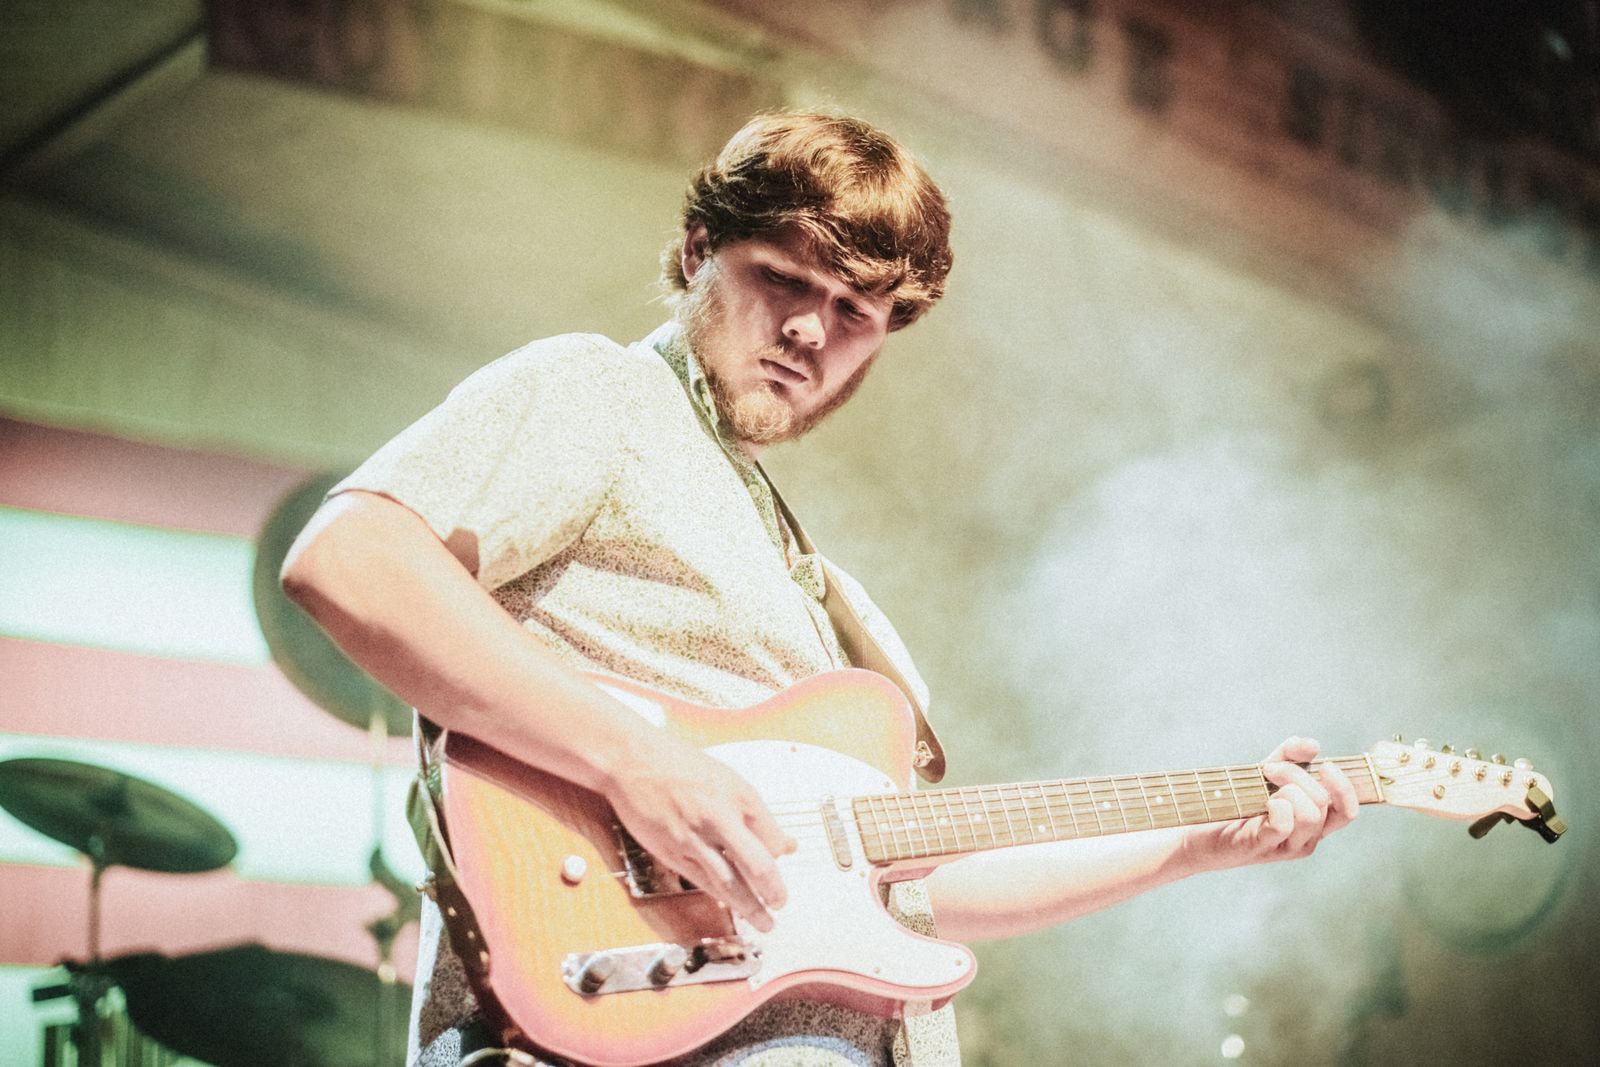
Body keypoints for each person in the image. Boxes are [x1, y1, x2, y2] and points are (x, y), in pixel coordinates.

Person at [280, 112, 1356, 1067]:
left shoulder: (816, 587)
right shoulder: (602, 394)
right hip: (611, 1022)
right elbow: (350, 558)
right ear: (697, 250)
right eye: (783, 279)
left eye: (853, 310)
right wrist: (636, 758)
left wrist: (1195, 843)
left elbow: (911, 884)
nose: (809, 330)